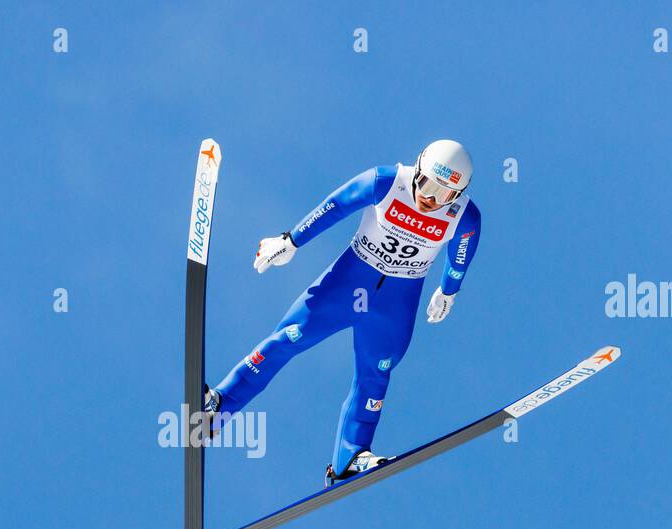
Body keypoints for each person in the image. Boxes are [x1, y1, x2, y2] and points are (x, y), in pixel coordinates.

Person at [205, 139, 482, 485]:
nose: (430, 199)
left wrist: (448, 292)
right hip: (349, 283)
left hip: (394, 304)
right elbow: (335, 206)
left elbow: (460, 257)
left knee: (376, 375)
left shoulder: (465, 217)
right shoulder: (386, 181)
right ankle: (218, 407)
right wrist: (290, 240)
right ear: (418, 169)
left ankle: (350, 457)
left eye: (443, 195)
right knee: (289, 339)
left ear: (457, 195)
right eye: (427, 185)